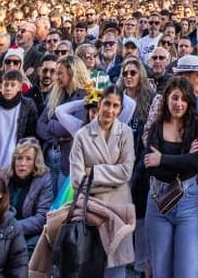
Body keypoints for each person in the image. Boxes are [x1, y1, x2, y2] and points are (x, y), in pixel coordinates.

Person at [69, 88, 136, 278]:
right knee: (90, 266)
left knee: (116, 269)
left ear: (120, 109)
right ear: (99, 104)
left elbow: (126, 171)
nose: (110, 110)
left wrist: (93, 172)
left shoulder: (126, 133)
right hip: (91, 209)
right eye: (107, 104)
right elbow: (76, 179)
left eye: (115, 106)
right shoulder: (82, 135)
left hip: (118, 209)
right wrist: (113, 177)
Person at [143, 78, 198, 278]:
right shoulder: (156, 127)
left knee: (189, 270)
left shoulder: (197, 125)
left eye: (184, 99)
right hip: (158, 200)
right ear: (167, 99)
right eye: (175, 98)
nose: (179, 103)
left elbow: (195, 163)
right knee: (161, 270)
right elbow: (152, 167)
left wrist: (162, 159)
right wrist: (183, 158)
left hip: (188, 201)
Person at [3, 139, 51, 252]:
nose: (22, 163)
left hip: (28, 233)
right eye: (19, 158)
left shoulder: (43, 180)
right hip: (3, 231)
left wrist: (14, 227)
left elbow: (42, 218)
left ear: (35, 163)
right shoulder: (4, 177)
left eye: (28, 159)